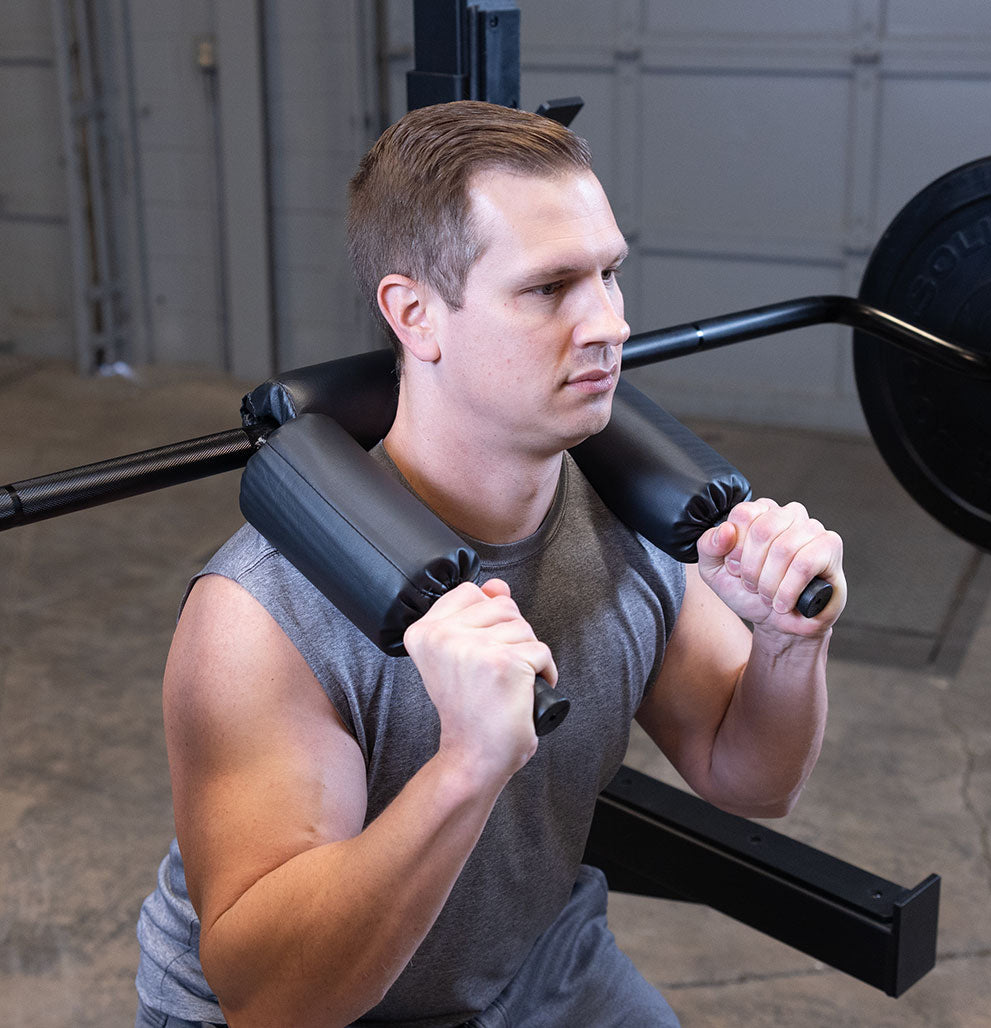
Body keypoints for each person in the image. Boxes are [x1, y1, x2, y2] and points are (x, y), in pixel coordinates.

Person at [135, 100, 846, 1028]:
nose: (610, 325)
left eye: (609, 274)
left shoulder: (633, 520)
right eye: (549, 288)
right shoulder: (261, 614)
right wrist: (468, 764)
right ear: (415, 315)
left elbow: (750, 780)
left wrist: (788, 642)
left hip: (532, 965)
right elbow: (273, 1001)